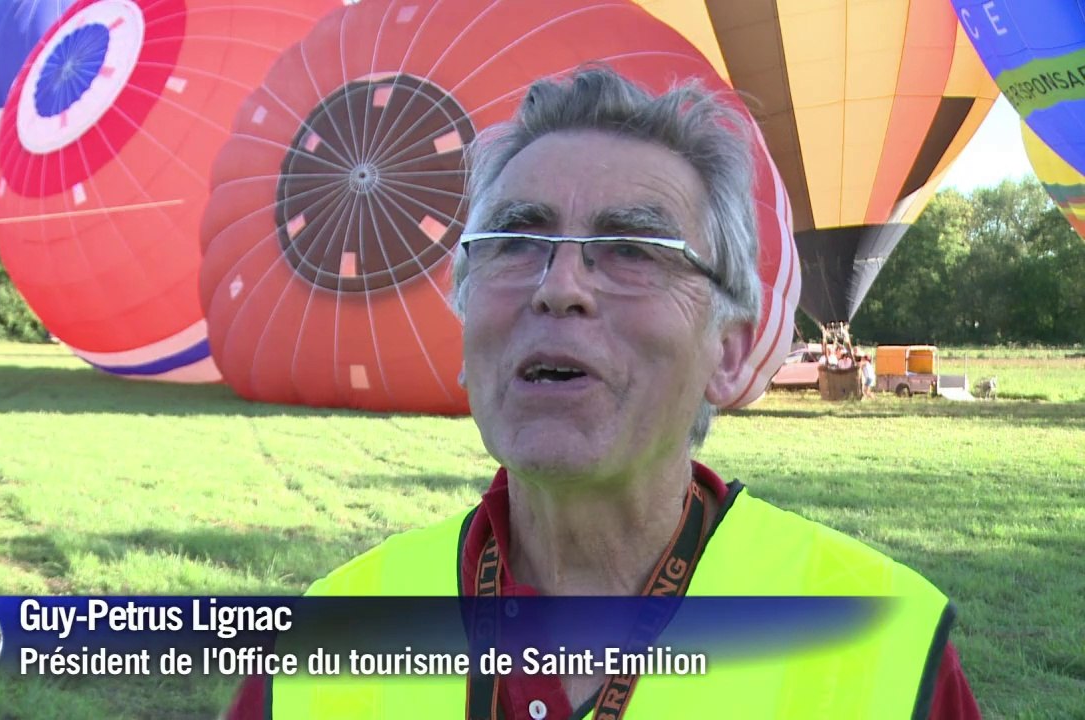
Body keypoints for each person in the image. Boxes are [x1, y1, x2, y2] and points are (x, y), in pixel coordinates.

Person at [228, 67, 979, 719]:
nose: (560, 289)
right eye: (516, 240)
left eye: (631, 249)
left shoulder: (881, 638)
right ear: (465, 327)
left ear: (731, 351)